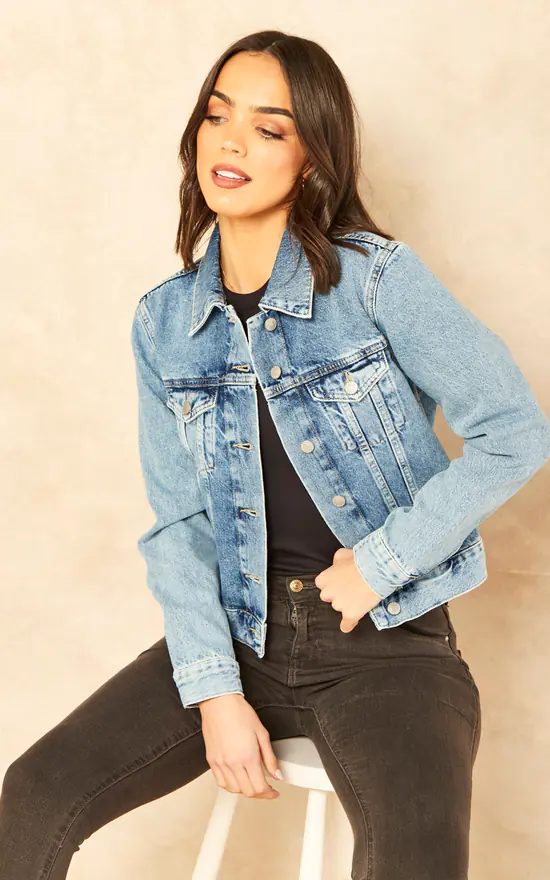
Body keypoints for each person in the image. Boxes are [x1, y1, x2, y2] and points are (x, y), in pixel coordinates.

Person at [2, 29, 550, 880]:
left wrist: (383, 562)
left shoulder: (374, 279)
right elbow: (180, 523)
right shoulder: (164, 322)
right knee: (32, 794)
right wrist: (215, 690)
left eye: (269, 128)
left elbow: (514, 429)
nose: (231, 142)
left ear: (313, 158)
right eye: (217, 116)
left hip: (386, 644)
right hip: (238, 635)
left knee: (416, 857)